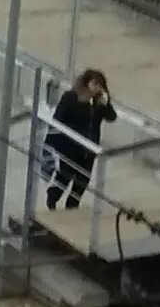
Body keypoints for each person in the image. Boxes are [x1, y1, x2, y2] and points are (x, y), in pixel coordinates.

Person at [43, 67, 117, 212]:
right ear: (86, 82)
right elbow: (58, 119)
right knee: (64, 177)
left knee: (82, 182)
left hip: (88, 150)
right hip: (70, 148)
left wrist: (106, 104)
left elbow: (112, 117)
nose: (96, 88)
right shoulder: (71, 97)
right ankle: (52, 199)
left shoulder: (98, 103)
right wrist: (52, 142)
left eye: (100, 85)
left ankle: (72, 207)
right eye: (94, 83)